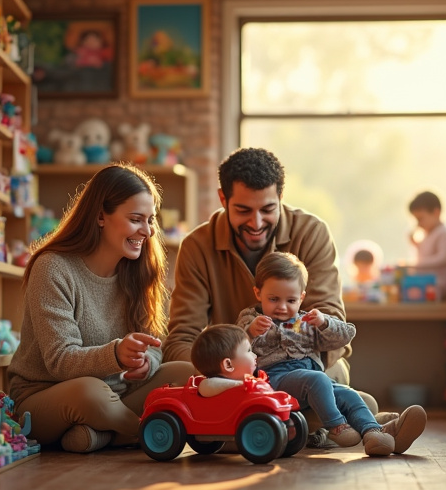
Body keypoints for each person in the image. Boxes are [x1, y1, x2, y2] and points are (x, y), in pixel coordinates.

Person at [162, 147, 386, 443]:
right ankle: (326, 426)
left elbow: (332, 320)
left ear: (281, 198)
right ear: (222, 199)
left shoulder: (312, 232)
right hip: (232, 372)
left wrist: (293, 361)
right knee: (176, 371)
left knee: (331, 377)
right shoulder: (196, 246)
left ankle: (279, 430)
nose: (256, 224)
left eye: (267, 209)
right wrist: (229, 374)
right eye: (243, 210)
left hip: (309, 366)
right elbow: (182, 336)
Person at [8, 163, 195, 453]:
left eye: (150, 220)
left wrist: (147, 364)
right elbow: (60, 360)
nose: (146, 231)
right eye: (136, 219)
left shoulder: (138, 272)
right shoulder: (53, 268)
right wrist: (117, 354)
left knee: (187, 372)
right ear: (100, 217)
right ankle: (153, 434)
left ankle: (100, 436)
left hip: (118, 397)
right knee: (90, 392)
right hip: (46, 397)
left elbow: (156, 344)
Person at [235, 252, 427, 456]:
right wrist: (249, 332)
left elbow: (345, 337)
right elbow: (234, 349)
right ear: (258, 293)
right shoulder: (252, 317)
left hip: (315, 382)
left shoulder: (306, 321)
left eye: (290, 300)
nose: (282, 307)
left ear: (301, 297)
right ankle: (337, 427)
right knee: (317, 379)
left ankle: (374, 432)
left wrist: (325, 323)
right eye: (273, 299)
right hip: (275, 381)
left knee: (349, 395)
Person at [407, 191, 446, 299]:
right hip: (424, 281)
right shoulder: (427, 235)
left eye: (420, 218)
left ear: (436, 212)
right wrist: (416, 246)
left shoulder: (444, 233)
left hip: (438, 284)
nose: (418, 224)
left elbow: (443, 258)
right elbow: (426, 254)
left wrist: (415, 264)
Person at [190, 324, 259, 397]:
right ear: (228, 365)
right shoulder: (209, 386)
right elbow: (208, 385)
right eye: (248, 350)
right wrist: (244, 385)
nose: (255, 356)